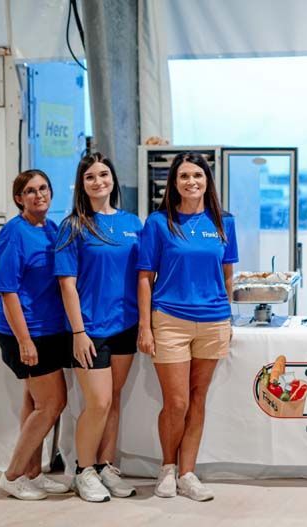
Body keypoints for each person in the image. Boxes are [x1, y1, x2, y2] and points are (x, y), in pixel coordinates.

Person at [137, 152, 238, 501]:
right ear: (174, 183)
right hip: (170, 321)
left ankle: (188, 473)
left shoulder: (223, 222)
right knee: (176, 402)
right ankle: (167, 468)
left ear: (207, 180)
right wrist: (145, 326)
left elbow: (227, 275)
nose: (191, 182)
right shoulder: (158, 223)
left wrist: (228, 317)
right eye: (184, 176)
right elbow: (145, 277)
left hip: (213, 322)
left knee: (198, 399)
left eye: (198, 175)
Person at [55, 153, 142, 502]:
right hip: (90, 329)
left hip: (126, 325)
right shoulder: (73, 226)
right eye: (90, 177)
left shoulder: (133, 223)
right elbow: (66, 284)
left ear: (113, 180)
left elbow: (143, 276)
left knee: (114, 400)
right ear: (82, 185)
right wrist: (78, 332)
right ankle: (83, 470)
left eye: (104, 174)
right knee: (99, 403)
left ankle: (107, 467)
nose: (98, 181)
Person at [0, 170, 70, 500]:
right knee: (53, 402)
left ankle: (32, 473)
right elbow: (7, 291)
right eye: (30, 190)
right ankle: (12, 476)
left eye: (43, 188)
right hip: (26, 332)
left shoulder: (52, 229)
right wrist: (24, 340)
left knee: (35, 401)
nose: (38, 194)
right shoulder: (14, 233)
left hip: (51, 329)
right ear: (19, 198)